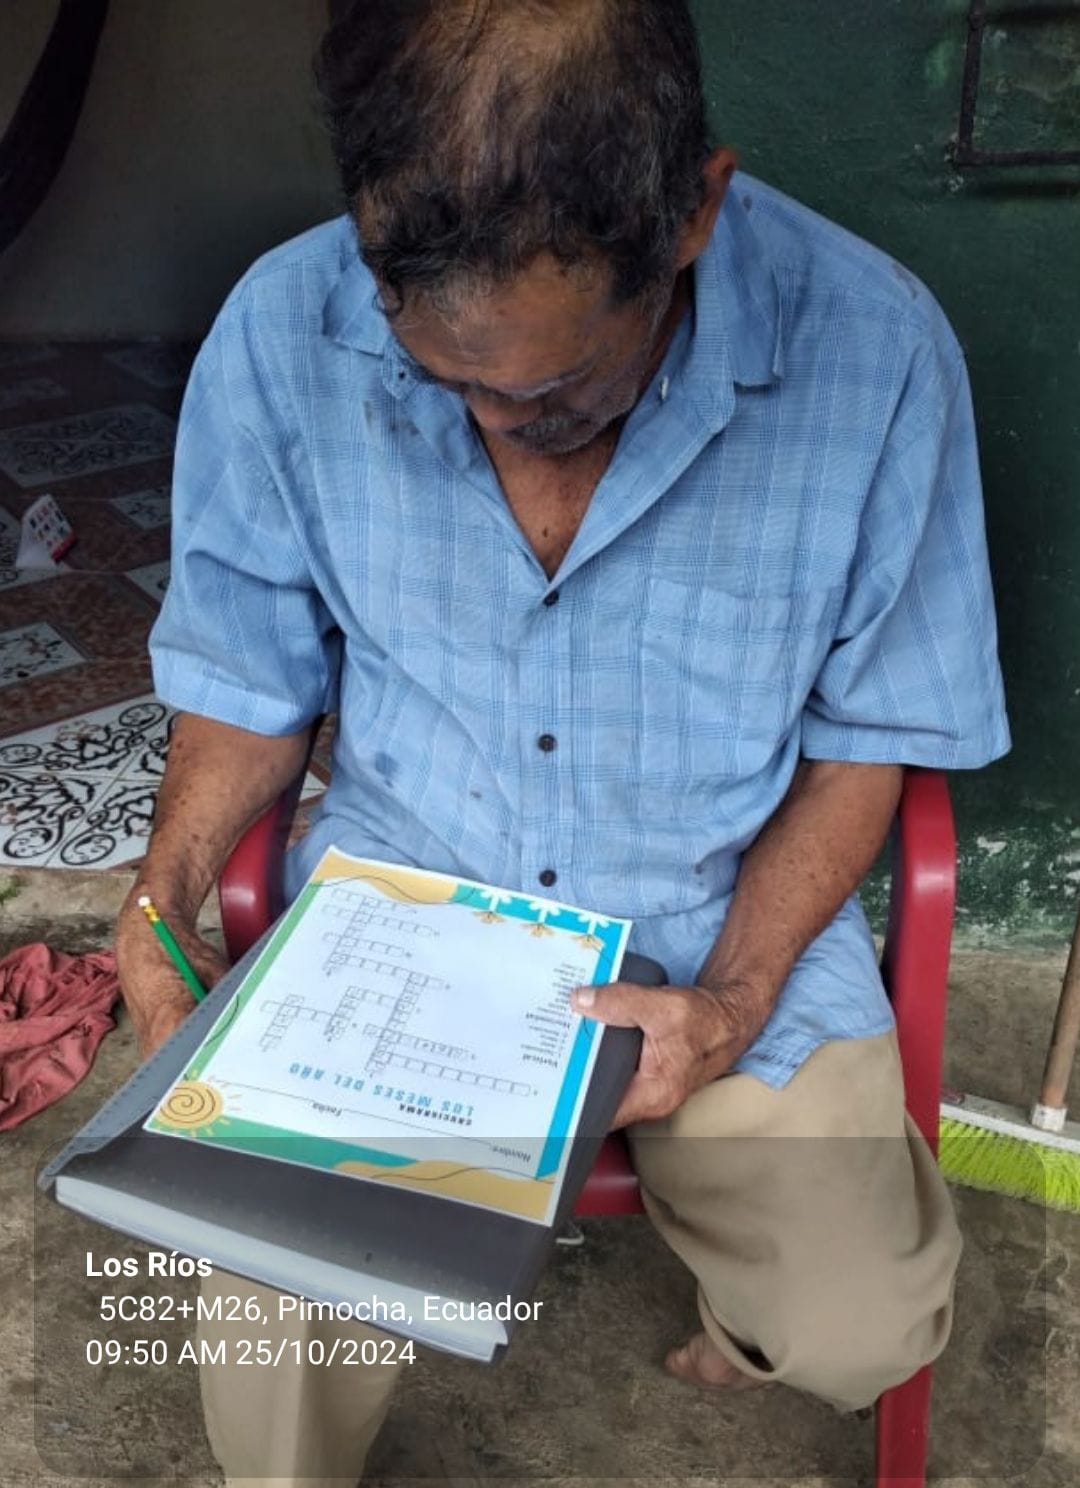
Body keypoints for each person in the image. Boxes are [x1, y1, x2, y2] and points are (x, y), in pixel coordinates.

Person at [115, 0, 1011, 1483]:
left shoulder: (879, 352)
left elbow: (867, 746)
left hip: (720, 916)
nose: (495, 422)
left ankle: (742, 1303)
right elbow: (243, 677)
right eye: (446, 379)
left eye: (553, 386)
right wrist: (165, 891)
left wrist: (727, 1007)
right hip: (408, 919)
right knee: (271, 1323)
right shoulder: (282, 332)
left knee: (861, 1325)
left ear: (693, 215)